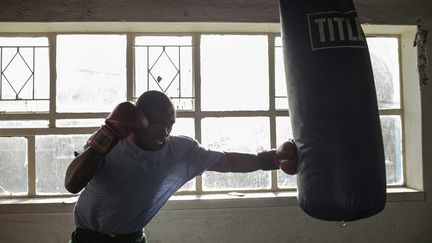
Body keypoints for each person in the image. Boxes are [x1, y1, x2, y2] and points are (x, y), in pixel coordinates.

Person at [65, 90, 298, 243]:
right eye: (157, 123)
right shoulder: (110, 140)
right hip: (87, 238)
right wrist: (108, 134)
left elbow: (226, 161)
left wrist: (272, 160)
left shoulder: (179, 150)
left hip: (132, 238)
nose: (165, 131)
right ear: (140, 119)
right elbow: (72, 184)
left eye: (170, 124)